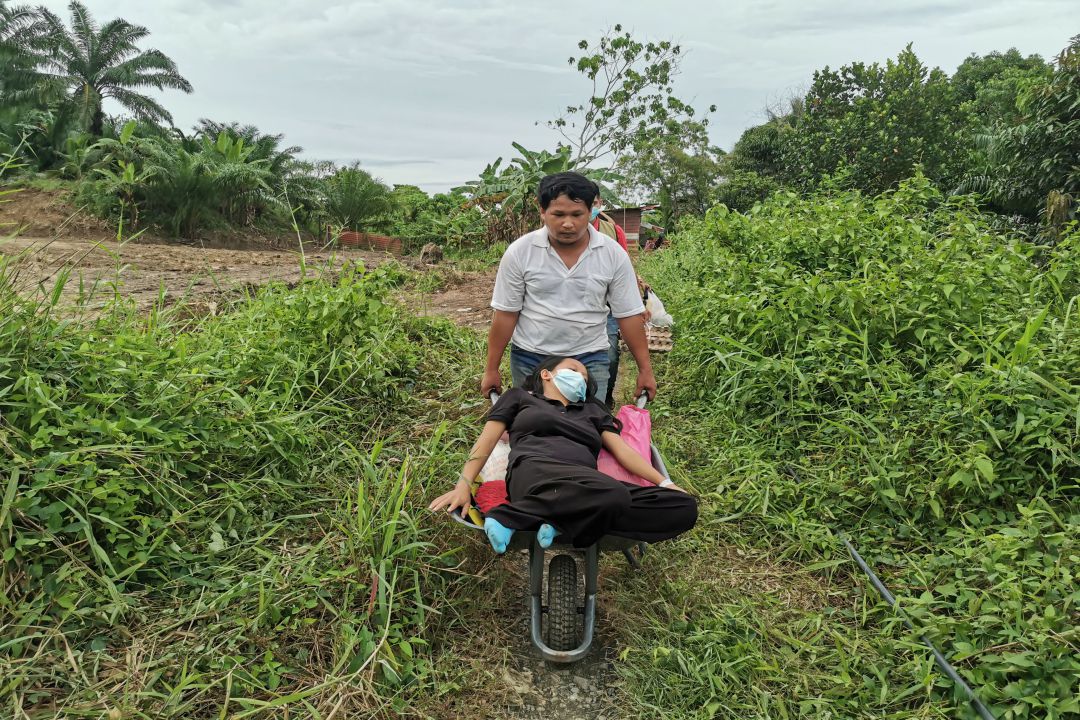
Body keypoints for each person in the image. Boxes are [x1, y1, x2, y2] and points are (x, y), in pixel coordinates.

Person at [430, 356, 697, 552]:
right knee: (613, 495)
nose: (581, 376)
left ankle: (549, 519)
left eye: (584, 376)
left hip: (587, 483)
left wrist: (665, 483)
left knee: (683, 508)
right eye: (573, 369)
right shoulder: (520, 398)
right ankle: (568, 517)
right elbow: (486, 441)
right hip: (535, 470)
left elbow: (623, 452)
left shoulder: (593, 411)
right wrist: (464, 484)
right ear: (546, 374)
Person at [481, 172, 657, 404]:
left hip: (589, 358)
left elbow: (628, 315)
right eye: (558, 214)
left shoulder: (612, 254)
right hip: (530, 357)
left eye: (577, 214)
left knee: (589, 428)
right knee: (532, 427)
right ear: (542, 211)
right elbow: (506, 314)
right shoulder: (520, 252)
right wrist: (491, 368)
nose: (568, 223)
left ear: (590, 210)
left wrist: (645, 369)